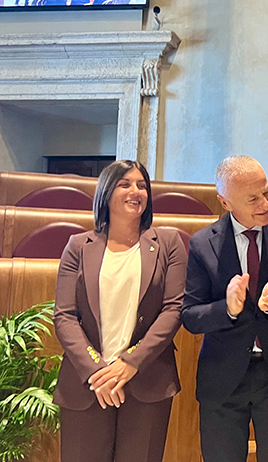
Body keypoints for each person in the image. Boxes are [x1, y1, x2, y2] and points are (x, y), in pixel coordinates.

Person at [182, 156, 268, 462]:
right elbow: (190, 316)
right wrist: (227, 309)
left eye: (266, 192)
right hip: (223, 378)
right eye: (253, 199)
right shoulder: (203, 244)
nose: (265, 204)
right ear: (225, 202)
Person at [53, 160, 187, 462]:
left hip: (148, 381)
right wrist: (97, 371)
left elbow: (174, 309)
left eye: (142, 185)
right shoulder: (78, 246)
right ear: (106, 192)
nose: (135, 191)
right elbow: (64, 316)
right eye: (125, 184)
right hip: (87, 385)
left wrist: (130, 362)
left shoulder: (168, 244)